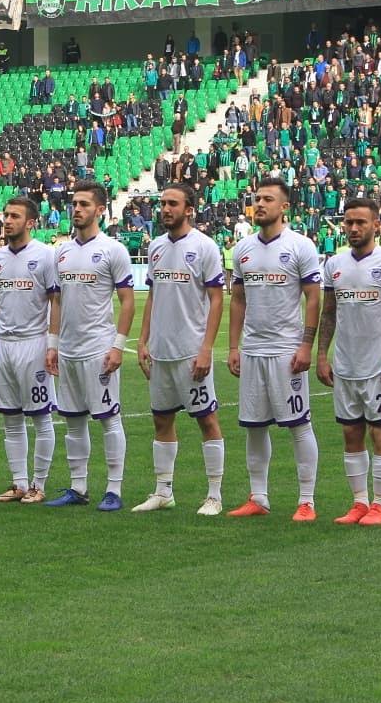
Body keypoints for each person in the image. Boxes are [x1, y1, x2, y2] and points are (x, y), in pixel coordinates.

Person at [316, 199, 381, 527]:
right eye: (349, 222)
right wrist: (322, 355)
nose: (354, 228)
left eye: (361, 222)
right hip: (345, 365)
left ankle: (379, 505)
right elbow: (328, 313)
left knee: (379, 431)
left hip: (378, 367)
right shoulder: (334, 264)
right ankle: (359, 503)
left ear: (376, 224)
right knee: (350, 432)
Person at [227, 177, 321, 521]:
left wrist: (306, 345)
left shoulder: (300, 246)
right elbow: (238, 300)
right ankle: (258, 497)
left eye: (268, 199)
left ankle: (307, 501)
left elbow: (313, 298)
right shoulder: (243, 248)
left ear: (284, 207)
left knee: (299, 424)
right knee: (254, 425)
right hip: (253, 349)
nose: (260, 204)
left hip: (286, 350)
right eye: (257, 198)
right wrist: (233, 346)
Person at [133, 184, 226, 515]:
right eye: (163, 203)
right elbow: (153, 296)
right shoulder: (156, 246)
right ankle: (163, 492)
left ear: (189, 209)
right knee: (162, 420)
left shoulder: (204, 246)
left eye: (173, 203)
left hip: (190, 351)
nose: (165, 209)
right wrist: (143, 341)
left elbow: (217, 299)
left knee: (207, 420)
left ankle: (214, 495)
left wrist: (206, 349)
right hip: (161, 352)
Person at [45, 180, 134, 511]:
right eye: (74, 203)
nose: (77, 209)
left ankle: (114, 489)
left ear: (99, 209)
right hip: (68, 349)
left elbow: (127, 301)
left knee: (109, 419)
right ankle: (78, 487)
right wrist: (52, 344)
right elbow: (57, 301)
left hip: (99, 347)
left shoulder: (113, 250)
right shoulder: (62, 252)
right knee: (73, 420)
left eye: (84, 204)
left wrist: (118, 345)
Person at [0, 196, 58, 504]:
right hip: (3, 344)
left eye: (14, 216)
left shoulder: (45, 255)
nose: (7, 220)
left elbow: (56, 301)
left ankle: (38, 484)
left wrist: (52, 344)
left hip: (33, 343)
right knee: (11, 418)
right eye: (6, 215)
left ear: (30, 222)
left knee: (41, 417)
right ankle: (18, 483)